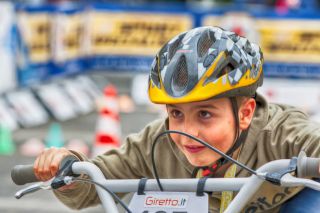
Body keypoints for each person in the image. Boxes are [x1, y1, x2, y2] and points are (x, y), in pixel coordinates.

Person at [33, 26, 320, 213]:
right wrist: (68, 168)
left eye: (205, 114)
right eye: (176, 114)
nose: (185, 134)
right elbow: (92, 183)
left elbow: (313, 143)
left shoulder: (281, 133)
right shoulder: (156, 144)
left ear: (245, 113)